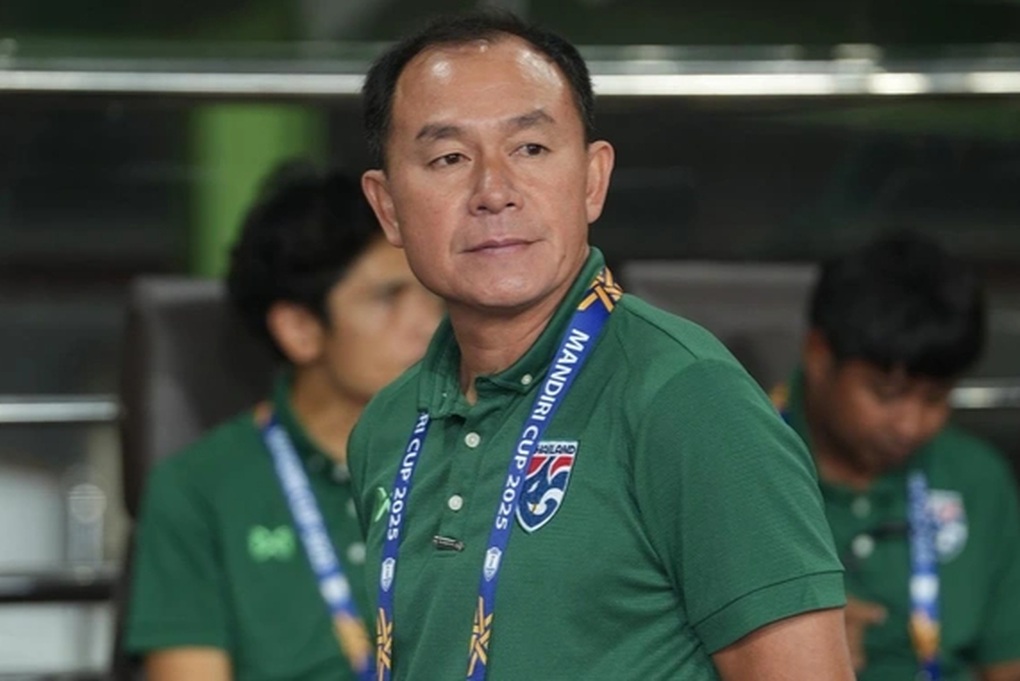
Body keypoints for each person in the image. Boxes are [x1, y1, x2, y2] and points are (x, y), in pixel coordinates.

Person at [349, 10, 854, 680]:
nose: (493, 191)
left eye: (530, 148)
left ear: (593, 179)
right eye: (449, 158)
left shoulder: (688, 397)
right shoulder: (387, 425)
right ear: (387, 207)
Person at [123, 161, 444, 681]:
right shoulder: (197, 489)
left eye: (433, 293)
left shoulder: (487, 450)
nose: (430, 324)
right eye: (389, 298)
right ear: (300, 329)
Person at [775, 231, 1020, 681]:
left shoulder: (977, 479)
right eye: (887, 393)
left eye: (935, 397)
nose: (910, 425)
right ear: (819, 355)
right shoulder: (733, 462)